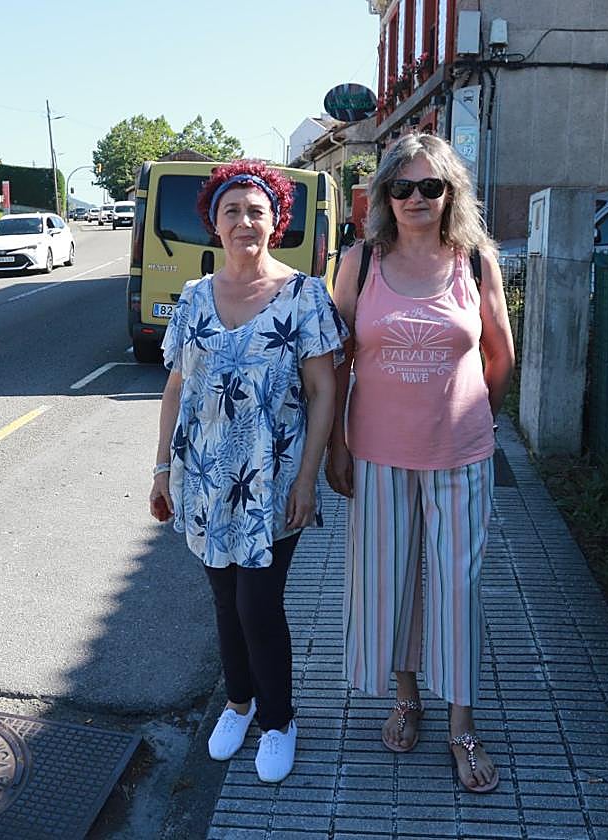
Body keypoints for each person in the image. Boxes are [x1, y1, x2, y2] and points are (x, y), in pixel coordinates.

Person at [325, 133, 515, 793]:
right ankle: (407, 698)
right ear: (382, 196)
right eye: (401, 187)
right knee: (390, 583)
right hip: (377, 453)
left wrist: (473, 419)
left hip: (460, 454)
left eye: (429, 186)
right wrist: (334, 445)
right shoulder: (360, 263)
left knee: (458, 588)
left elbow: (499, 354)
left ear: (450, 193)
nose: (415, 198)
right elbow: (336, 359)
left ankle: (462, 723)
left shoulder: (476, 262)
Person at [150, 160, 347, 784]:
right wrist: (161, 470)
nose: (243, 222)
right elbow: (175, 387)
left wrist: (307, 478)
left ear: (276, 222)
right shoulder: (193, 299)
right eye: (231, 211)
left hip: (273, 480)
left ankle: (280, 720)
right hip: (206, 477)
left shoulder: (304, 296)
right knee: (222, 599)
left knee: (258, 604)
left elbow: (323, 392)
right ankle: (239, 702)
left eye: (255, 211)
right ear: (213, 222)